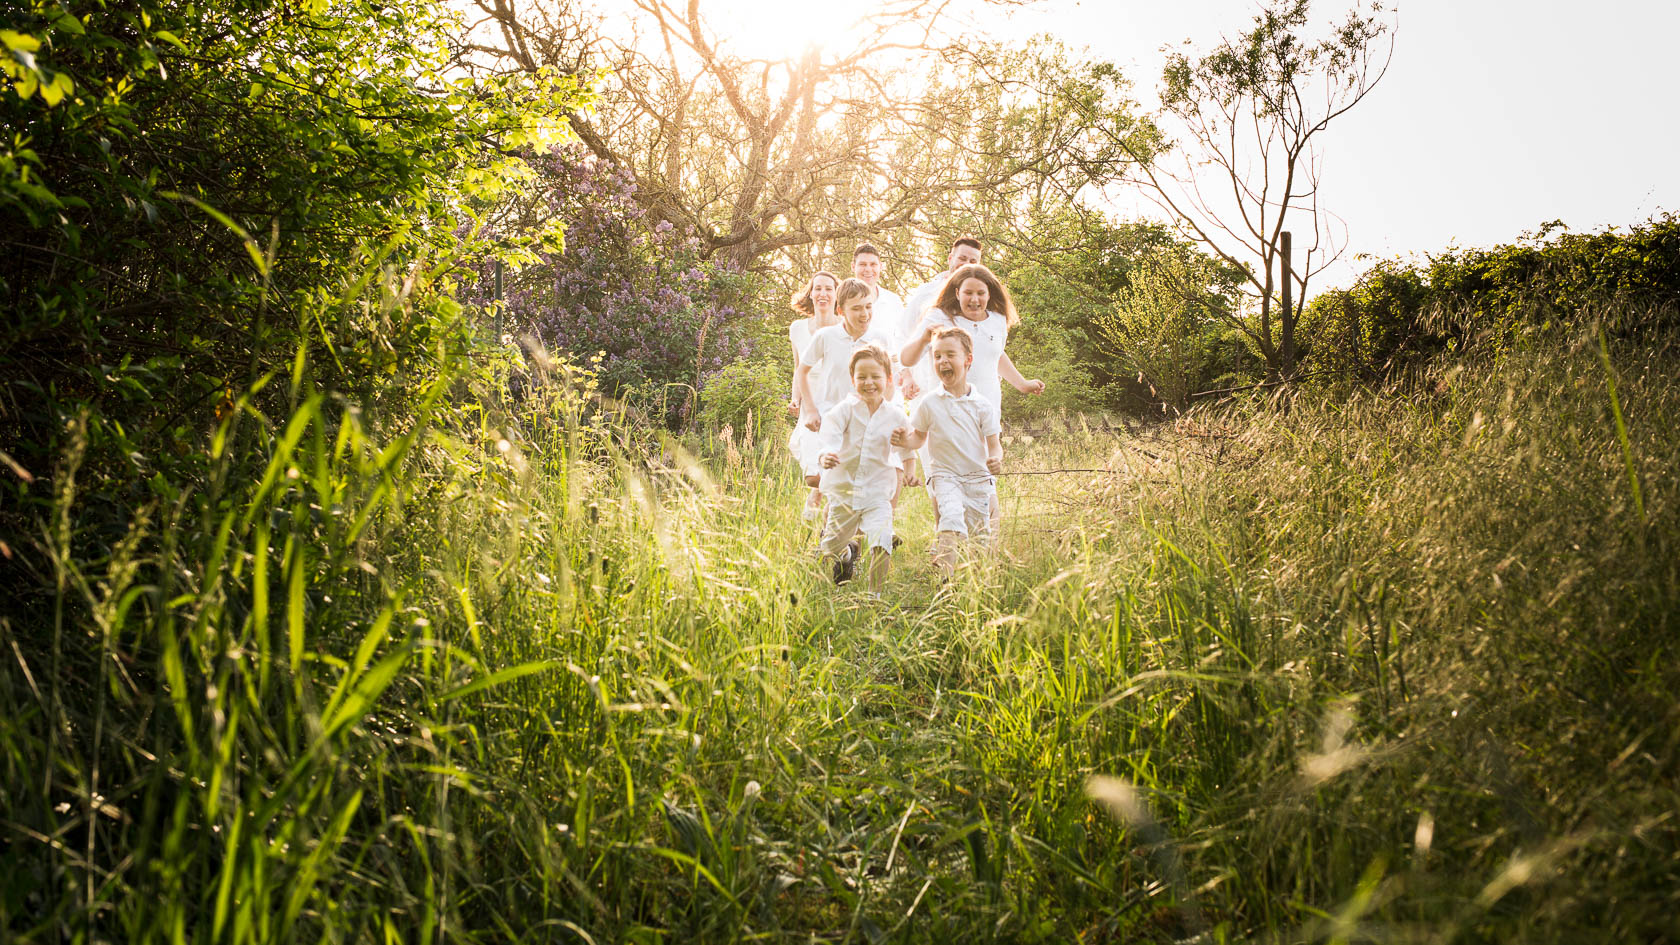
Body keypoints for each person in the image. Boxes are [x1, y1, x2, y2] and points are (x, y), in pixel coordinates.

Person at [900, 262, 1042, 533]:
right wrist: (923, 340)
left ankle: (988, 549)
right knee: (942, 476)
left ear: (990, 294)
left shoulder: (998, 321)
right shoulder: (939, 317)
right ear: (956, 292)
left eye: (981, 293)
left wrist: (1022, 384)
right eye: (968, 293)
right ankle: (944, 541)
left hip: (983, 408)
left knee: (985, 475)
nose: (974, 299)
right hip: (944, 410)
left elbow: (996, 355)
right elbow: (906, 357)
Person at [892, 327, 1003, 578]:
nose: (942, 361)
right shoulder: (929, 403)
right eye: (937, 356)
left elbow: (994, 443)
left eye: (950, 354)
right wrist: (904, 440)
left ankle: (981, 582)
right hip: (945, 476)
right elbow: (917, 439)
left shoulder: (982, 405)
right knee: (950, 522)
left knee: (981, 535)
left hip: (977, 477)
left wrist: (995, 458)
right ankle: (946, 582)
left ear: (968, 360)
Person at [814, 344, 907, 589]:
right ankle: (846, 554)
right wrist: (826, 455)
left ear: (887, 379)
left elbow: (907, 447)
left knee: (881, 540)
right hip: (845, 491)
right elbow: (829, 438)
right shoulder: (843, 411)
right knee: (830, 548)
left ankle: (874, 597)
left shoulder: (895, 415)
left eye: (875, 376)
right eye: (862, 377)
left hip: (877, 492)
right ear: (852, 379)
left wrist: (910, 471)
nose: (869, 382)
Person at [796, 277, 895, 435]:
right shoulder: (826, 336)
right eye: (856, 309)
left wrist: (879, 414)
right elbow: (802, 371)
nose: (864, 314)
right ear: (841, 311)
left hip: (868, 423)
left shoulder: (881, 339)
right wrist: (811, 410)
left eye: (868, 307)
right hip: (829, 421)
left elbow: (890, 382)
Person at [900, 237, 984, 398]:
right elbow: (903, 334)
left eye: (973, 261)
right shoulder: (925, 293)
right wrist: (906, 375)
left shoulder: (981, 299)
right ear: (950, 258)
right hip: (929, 388)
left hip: (972, 393)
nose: (967, 264)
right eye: (962, 258)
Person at [786, 271, 841, 516]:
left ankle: (825, 521)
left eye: (829, 289)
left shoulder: (845, 327)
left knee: (830, 468)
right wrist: (795, 398)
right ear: (810, 293)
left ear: (837, 295)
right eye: (818, 288)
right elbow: (799, 368)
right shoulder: (797, 329)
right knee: (812, 476)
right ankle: (827, 501)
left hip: (838, 404)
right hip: (810, 406)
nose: (823, 294)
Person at [851, 243, 905, 348]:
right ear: (853, 267)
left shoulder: (894, 301)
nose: (868, 269)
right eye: (862, 264)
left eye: (873, 264)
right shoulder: (842, 301)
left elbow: (901, 340)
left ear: (880, 266)